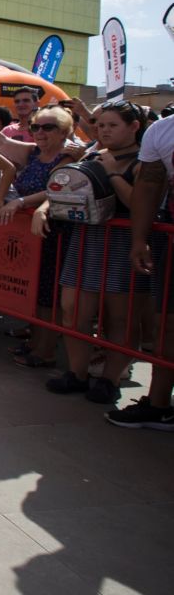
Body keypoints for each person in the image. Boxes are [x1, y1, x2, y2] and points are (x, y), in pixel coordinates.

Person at [34, 101, 147, 403]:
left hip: (125, 245)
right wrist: (44, 208)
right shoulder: (94, 155)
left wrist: (111, 173)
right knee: (72, 310)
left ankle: (110, 379)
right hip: (86, 240)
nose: (104, 130)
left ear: (134, 127)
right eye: (101, 125)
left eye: (113, 125)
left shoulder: (146, 161)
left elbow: (141, 204)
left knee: (119, 319)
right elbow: (64, 187)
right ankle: (77, 372)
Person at [0, 105, 76, 366]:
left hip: (53, 232)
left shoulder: (70, 158)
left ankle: (46, 350)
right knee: (36, 294)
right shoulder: (32, 154)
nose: (40, 132)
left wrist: (19, 202)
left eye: (48, 127)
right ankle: (36, 343)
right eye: (36, 127)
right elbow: (0, 141)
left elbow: (55, 188)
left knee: (49, 295)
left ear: (64, 132)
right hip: (28, 234)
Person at [111, 113, 174, 429]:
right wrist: (139, 238)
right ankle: (160, 403)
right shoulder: (162, 131)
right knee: (168, 324)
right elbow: (150, 184)